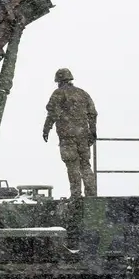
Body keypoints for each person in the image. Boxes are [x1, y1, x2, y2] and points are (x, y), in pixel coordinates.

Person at [43, 67, 98, 199]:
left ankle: (76, 195)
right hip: (83, 136)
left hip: (67, 136)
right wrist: (93, 132)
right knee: (85, 164)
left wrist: (46, 128)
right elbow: (92, 114)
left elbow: (52, 113)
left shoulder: (58, 94)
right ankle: (91, 195)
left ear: (59, 81)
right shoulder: (83, 94)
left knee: (72, 165)